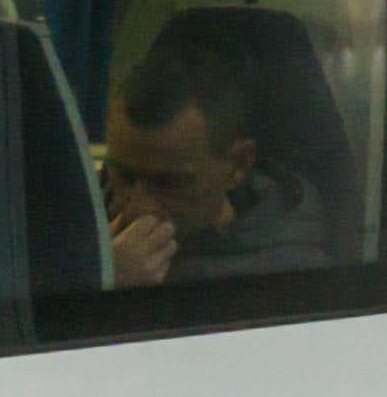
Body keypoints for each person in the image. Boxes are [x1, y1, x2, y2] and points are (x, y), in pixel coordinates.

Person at [99, 29, 328, 286]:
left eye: (168, 184)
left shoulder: (285, 273)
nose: (138, 207)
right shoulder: (82, 219)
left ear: (238, 164)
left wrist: (105, 283)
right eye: (123, 176)